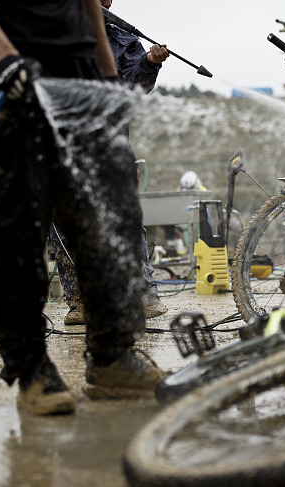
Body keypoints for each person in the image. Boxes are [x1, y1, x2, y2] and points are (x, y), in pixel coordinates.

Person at [0, 0, 165, 415]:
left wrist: (107, 82)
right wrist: (5, 58)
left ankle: (112, 356)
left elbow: (90, 9)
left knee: (111, 209)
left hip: (76, 65)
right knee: (16, 225)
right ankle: (32, 369)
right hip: (2, 67)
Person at [53, 0, 169, 325]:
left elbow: (134, 91)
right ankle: (80, 302)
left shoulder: (124, 40)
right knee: (63, 227)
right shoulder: (53, 32)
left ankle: (144, 295)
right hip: (61, 148)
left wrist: (149, 64)